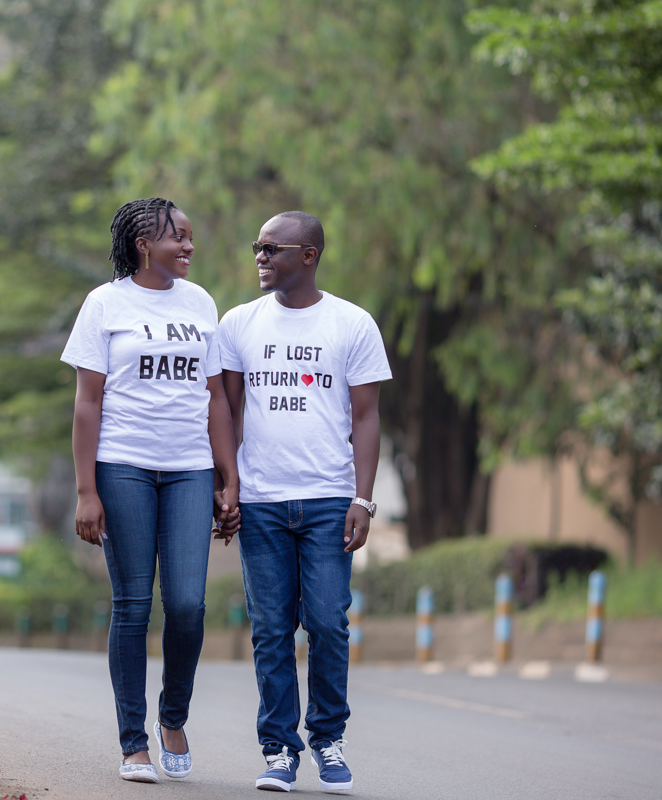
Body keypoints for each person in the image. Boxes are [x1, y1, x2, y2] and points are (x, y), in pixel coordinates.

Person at [62, 197, 240, 784]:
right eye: (178, 237)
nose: (189, 247)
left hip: (188, 467)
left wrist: (227, 473)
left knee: (187, 605)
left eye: (190, 238)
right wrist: (87, 490)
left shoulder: (200, 302)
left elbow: (215, 395)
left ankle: (173, 717)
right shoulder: (105, 303)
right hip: (123, 466)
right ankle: (132, 743)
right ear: (144, 243)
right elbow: (88, 402)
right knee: (134, 605)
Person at [218, 211, 391, 793]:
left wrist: (363, 499)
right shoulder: (238, 322)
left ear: (309, 254)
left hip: (327, 499)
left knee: (326, 623)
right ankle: (278, 750)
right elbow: (228, 411)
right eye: (256, 248)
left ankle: (328, 739)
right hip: (263, 500)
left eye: (272, 248)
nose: (260, 257)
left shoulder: (352, 323)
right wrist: (229, 485)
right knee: (270, 630)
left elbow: (366, 417)